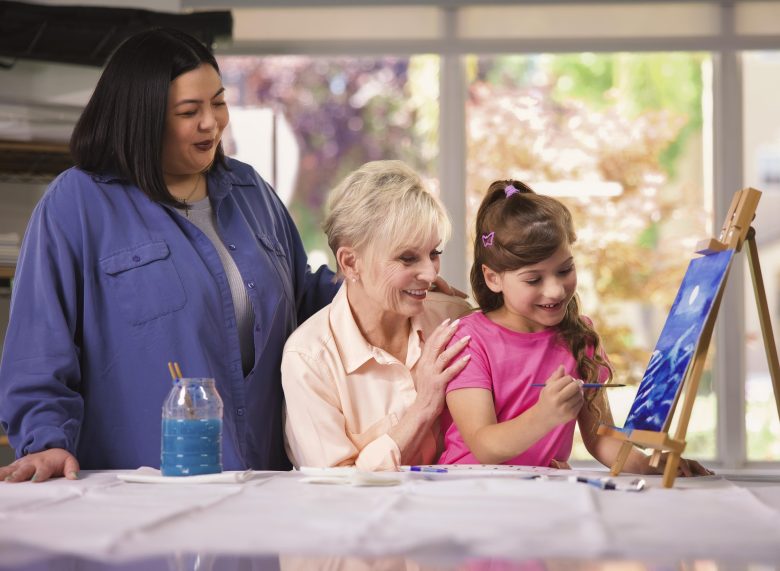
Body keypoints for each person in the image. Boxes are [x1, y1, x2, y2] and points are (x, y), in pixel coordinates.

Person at [0, 28, 342, 482]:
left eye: (218, 102)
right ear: (142, 118)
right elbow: (37, 350)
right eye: (189, 111)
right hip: (138, 489)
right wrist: (46, 442)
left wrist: (380, 284)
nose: (212, 123)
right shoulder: (77, 205)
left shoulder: (251, 192)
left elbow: (302, 300)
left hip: (264, 483)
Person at [438, 180, 711, 476]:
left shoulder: (579, 336)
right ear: (493, 278)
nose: (555, 291)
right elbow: (484, 446)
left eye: (565, 270)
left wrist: (652, 466)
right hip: (468, 487)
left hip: (535, 488)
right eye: (533, 280)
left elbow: (601, 439)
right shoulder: (469, 338)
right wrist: (544, 416)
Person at [282, 160, 473, 470]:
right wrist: (423, 407)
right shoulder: (308, 358)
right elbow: (335, 488)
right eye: (408, 258)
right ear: (350, 263)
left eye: (434, 253)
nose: (429, 273)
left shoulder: (453, 320)